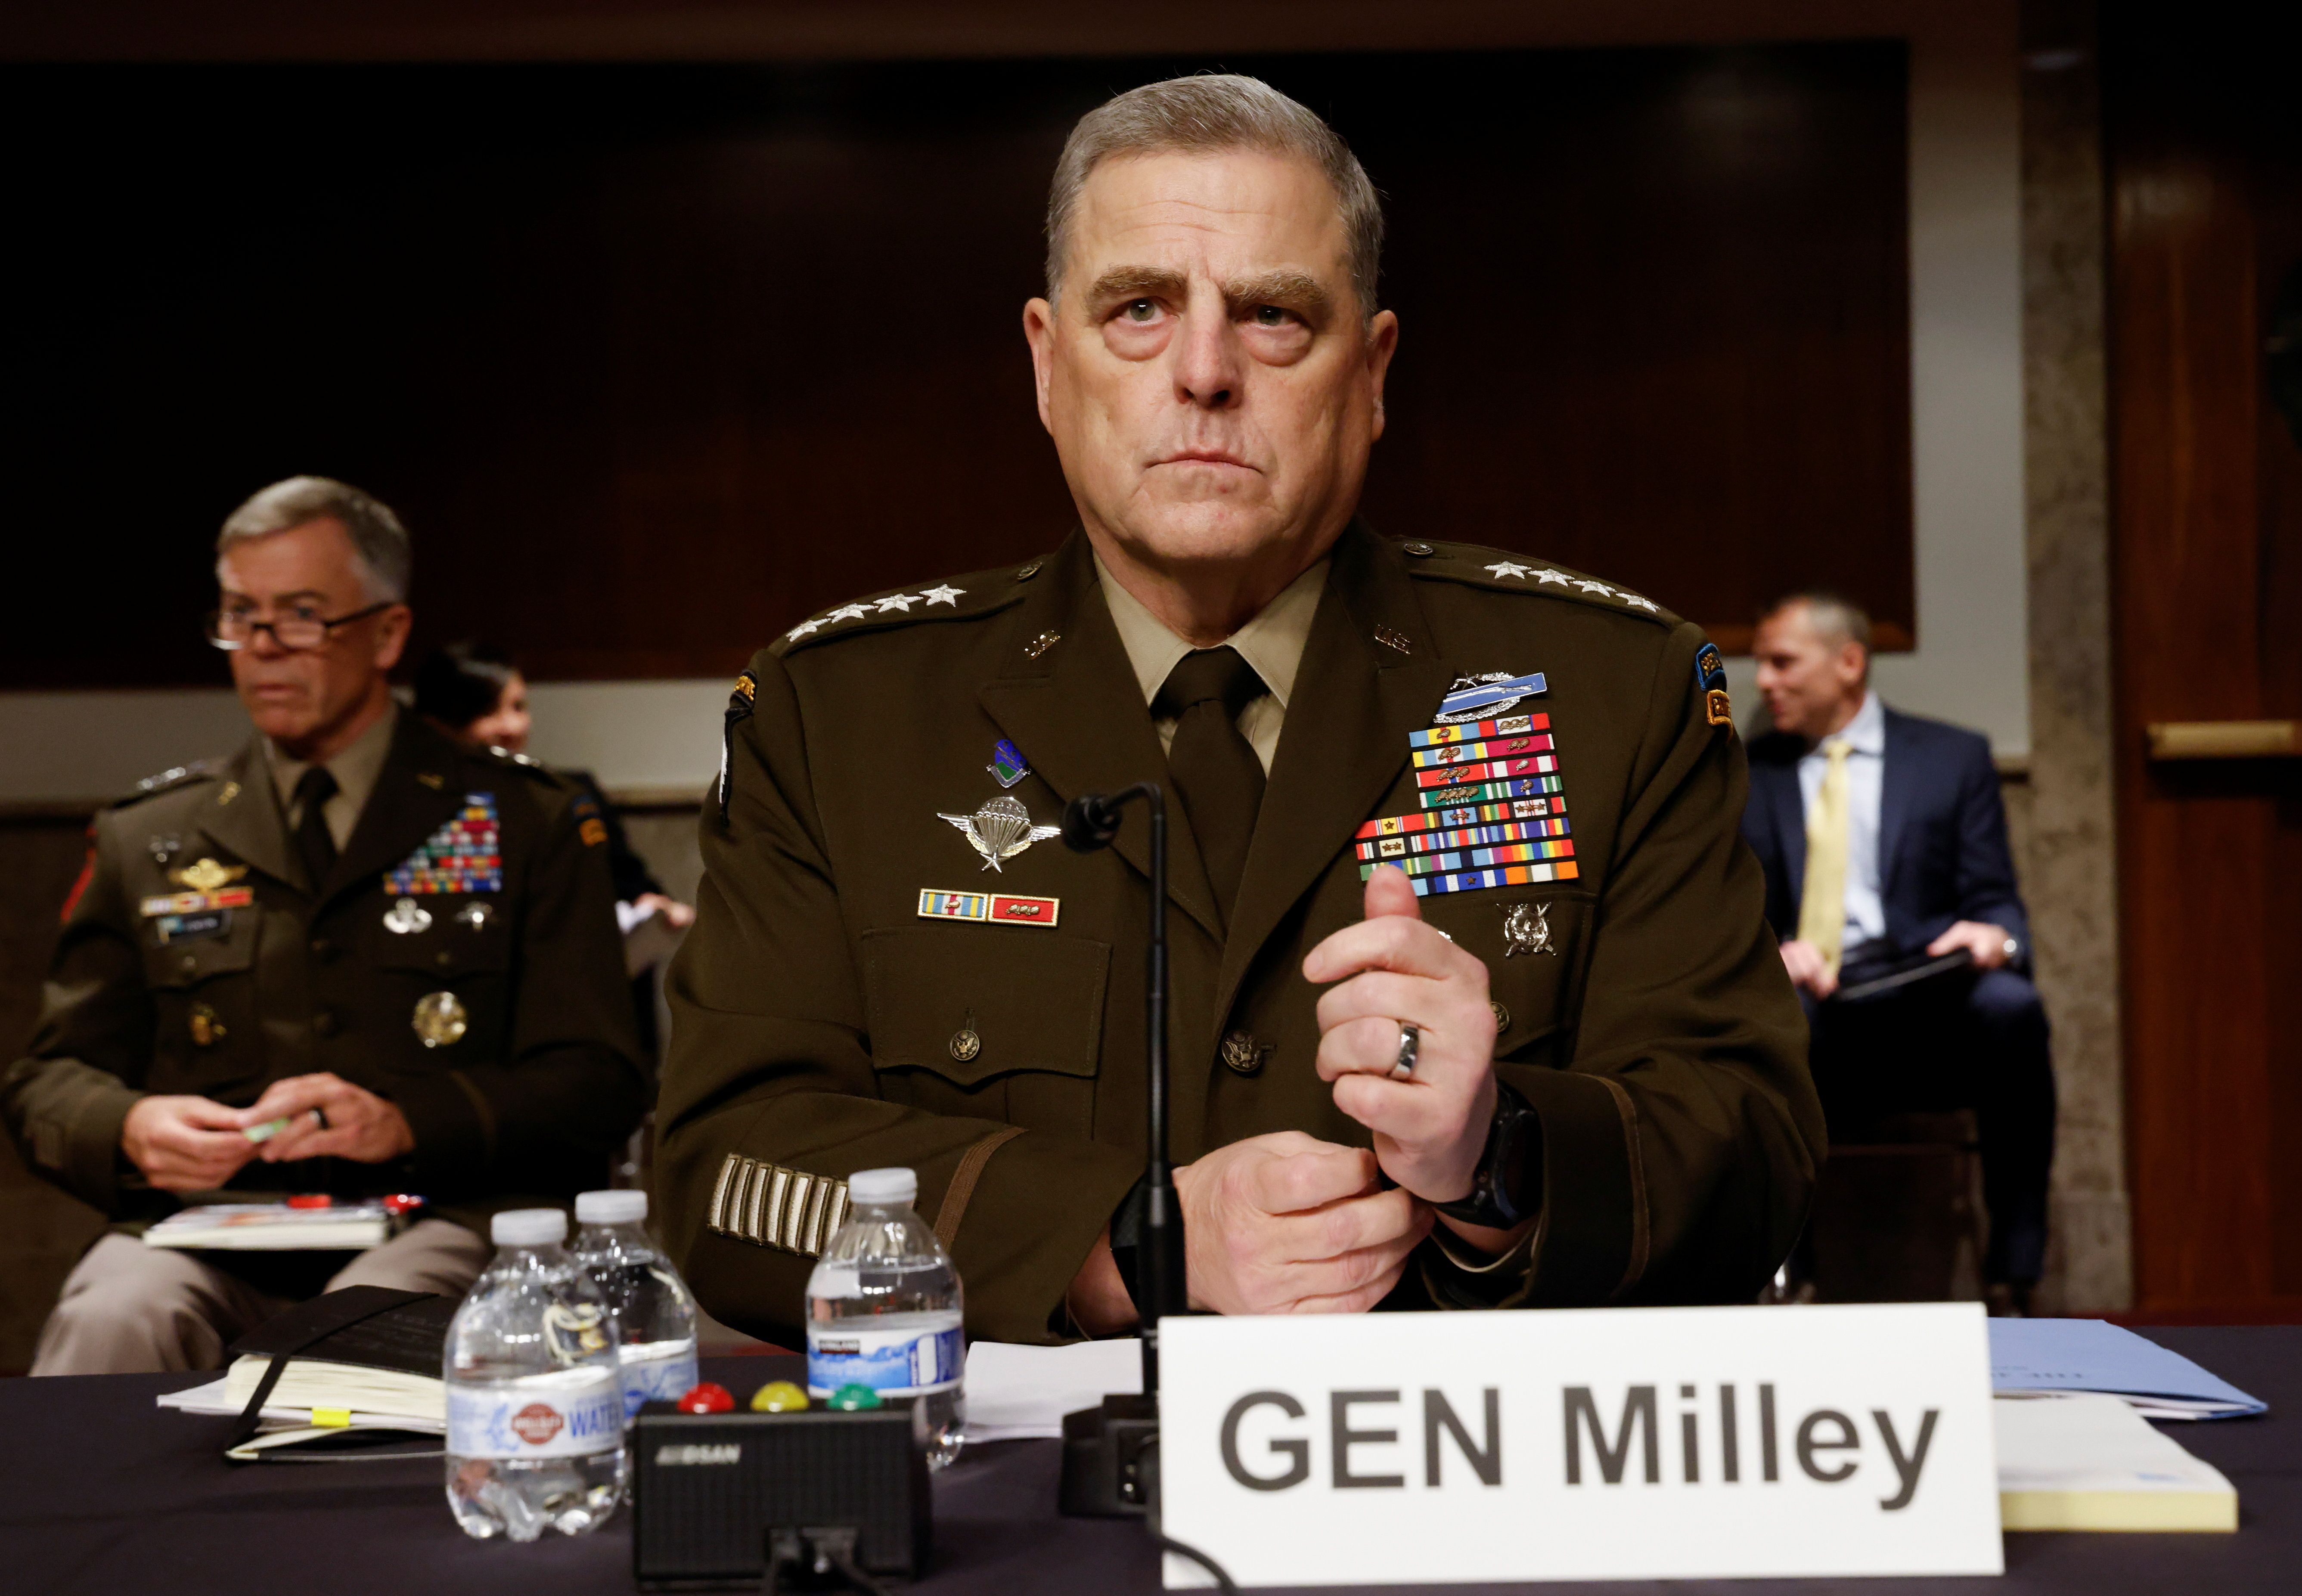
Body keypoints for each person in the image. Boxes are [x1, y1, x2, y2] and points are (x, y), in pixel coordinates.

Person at [654, 75, 1820, 1348]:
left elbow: (1757, 1156)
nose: (1204, 372)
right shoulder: (839, 715)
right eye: (1140, 310)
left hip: (1454, 1496)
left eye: (1271, 316)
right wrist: (1136, 1239)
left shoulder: (1607, 690)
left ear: (1371, 372)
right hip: (1008, 1511)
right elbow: (728, 1176)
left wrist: (1500, 1152)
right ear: (1049, 364)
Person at [3, 477, 648, 1374]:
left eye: (302, 614)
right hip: (215, 1227)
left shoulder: (521, 819)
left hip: (440, 1214)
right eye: (241, 615)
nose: (264, 648)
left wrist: (404, 1121)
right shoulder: (151, 834)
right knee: (113, 1310)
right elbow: (49, 1077)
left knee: (359, 1331)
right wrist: (128, 1123)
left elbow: (600, 1078)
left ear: (388, 632)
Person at [1738, 592, 2055, 1315]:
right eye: (1761, 663)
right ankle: (1788, 1274)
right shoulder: (1750, 772)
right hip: (1813, 1003)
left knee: (2013, 1007)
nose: (1765, 681)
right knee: (1771, 1018)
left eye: (1783, 661)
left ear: (1848, 662)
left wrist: (1995, 938)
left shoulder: (1952, 757)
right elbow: (1724, 915)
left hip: (1925, 995)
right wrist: (1772, 953)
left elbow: (1998, 900)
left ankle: (2016, 1271)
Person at [413, 639, 697, 952]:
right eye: (487, 711)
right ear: (436, 724)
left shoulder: (568, 795)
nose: (513, 725)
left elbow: (626, 879)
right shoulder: (421, 807)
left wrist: (652, 905)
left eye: (519, 707)